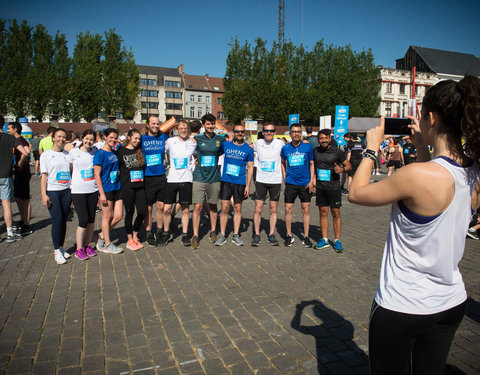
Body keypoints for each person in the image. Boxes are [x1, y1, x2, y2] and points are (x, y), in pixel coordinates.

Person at [348, 76, 480, 374]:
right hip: (450, 301)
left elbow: (356, 193)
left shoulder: (420, 175)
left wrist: (371, 148)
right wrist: (422, 148)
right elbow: (431, 186)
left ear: (431, 117)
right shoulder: (473, 170)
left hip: (404, 304)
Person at [313, 129, 352, 253]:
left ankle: (337, 240)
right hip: (320, 187)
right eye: (321, 138)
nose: (323, 140)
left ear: (330, 138)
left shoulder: (338, 152)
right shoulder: (315, 151)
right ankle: (324, 239)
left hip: (333, 187)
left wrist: (341, 170)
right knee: (323, 212)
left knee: (335, 213)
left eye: (326, 138)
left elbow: (349, 166)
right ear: (318, 140)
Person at [215, 124, 254, 246]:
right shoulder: (226, 145)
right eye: (237, 131)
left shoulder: (248, 149)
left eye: (242, 132)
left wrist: (248, 185)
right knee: (225, 208)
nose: (240, 133)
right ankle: (222, 234)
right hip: (226, 180)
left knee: (237, 208)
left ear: (244, 133)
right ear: (234, 132)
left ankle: (236, 235)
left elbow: (251, 167)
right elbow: (214, 153)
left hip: (240, 182)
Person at [191, 113, 225, 249]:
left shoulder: (220, 139)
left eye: (212, 124)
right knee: (198, 206)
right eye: (208, 124)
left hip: (214, 177)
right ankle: (195, 235)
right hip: (199, 177)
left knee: (213, 206)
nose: (211, 126)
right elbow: (188, 150)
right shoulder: (197, 139)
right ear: (203, 125)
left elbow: (226, 150)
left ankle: (213, 230)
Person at [160, 120, 197, 247]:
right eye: (181, 128)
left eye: (185, 128)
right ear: (176, 129)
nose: (183, 130)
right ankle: (166, 232)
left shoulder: (193, 143)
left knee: (185, 209)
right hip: (172, 179)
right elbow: (160, 151)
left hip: (186, 179)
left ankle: (185, 234)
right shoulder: (170, 141)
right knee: (166, 209)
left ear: (188, 129)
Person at [40, 128, 72, 264]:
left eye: (64, 137)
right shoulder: (46, 155)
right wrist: (43, 194)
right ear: (53, 138)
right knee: (57, 220)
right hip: (53, 191)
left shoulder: (67, 154)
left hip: (66, 191)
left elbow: (71, 171)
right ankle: (56, 251)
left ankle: (61, 247)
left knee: (63, 220)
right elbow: (44, 176)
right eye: (59, 136)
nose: (61, 139)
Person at [281, 123, 315, 247]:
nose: (296, 134)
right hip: (291, 183)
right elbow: (282, 162)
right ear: (290, 134)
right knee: (288, 209)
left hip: (305, 183)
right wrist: (284, 176)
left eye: (299, 132)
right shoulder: (285, 148)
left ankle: (306, 236)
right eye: (294, 132)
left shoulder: (308, 147)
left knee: (305, 210)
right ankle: (289, 235)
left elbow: (312, 164)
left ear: (301, 133)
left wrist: (311, 180)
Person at [251, 122, 284, 246]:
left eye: (271, 131)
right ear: (263, 132)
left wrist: (305, 142)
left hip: (275, 180)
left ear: (274, 132)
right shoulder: (257, 143)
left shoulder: (280, 143)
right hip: (261, 180)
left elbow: (293, 146)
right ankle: (257, 234)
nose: (269, 133)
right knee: (258, 208)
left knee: (273, 208)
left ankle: (271, 234)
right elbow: (245, 147)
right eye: (266, 131)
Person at [69, 129, 99, 260]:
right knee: (83, 220)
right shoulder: (73, 152)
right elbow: (69, 169)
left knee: (91, 220)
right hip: (78, 190)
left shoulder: (95, 152)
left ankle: (88, 245)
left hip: (92, 190)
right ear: (82, 138)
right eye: (87, 139)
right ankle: (79, 249)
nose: (88, 141)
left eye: (91, 139)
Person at [94, 128, 123, 254]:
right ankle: (107, 244)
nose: (113, 140)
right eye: (110, 137)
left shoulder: (114, 152)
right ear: (104, 137)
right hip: (106, 189)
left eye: (115, 137)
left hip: (117, 186)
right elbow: (96, 174)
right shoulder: (99, 154)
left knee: (118, 216)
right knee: (107, 216)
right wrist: (101, 193)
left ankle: (101, 236)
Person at [0, 115, 29, 243]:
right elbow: (25, 152)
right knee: (6, 204)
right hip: (6, 174)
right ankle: (10, 232)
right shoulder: (10, 138)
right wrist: (18, 163)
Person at [117, 129, 146, 251]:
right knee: (129, 212)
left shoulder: (140, 151)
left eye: (139, 139)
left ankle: (135, 235)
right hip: (127, 187)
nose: (137, 141)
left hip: (140, 186)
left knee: (142, 211)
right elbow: (117, 168)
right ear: (129, 137)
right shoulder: (121, 151)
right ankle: (129, 239)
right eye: (135, 138)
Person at [141, 115, 169, 246]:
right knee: (148, 207)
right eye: (153, 123)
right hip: (147, 176)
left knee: (161, 206)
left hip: (161, 175)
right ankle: (148, 232)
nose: (156, 126)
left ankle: (159, 230)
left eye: (158, 124)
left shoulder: (164, 137)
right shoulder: (142, 139)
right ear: (148, 125)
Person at [7, 122, 33, 236]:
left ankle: (26, 223)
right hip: (19, 173)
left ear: (15, 129)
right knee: (18, 197)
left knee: (25, 198)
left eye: (9, 128)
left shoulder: (20, 140)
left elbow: (27, 152)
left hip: (23, 172)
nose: (7, 130)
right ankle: (23, 220)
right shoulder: (16, 140)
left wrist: (19, 163)